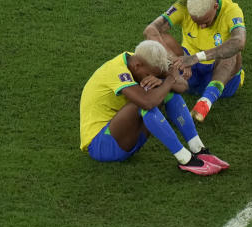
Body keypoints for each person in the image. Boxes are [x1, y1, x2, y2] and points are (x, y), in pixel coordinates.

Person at [79, 39, 230, 175]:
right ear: (137, 66)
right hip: (101, 145)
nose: (152, 77)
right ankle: (186, 160)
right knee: (144, 103)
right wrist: (168, 81)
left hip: (126, 137)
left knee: (168, 93)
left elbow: (183, 86)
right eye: (149, 74)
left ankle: (199, 149)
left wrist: (167, 81)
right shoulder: (116, 71)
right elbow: (147, 103)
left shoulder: (147, 59)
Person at [144, 0, 246, 122]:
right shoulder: (184, 4)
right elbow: (150, 30)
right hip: (189, 72)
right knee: (161, 38)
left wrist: (196, 58)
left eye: (205, 21)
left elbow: (239, 42)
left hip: (222, 77)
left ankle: (207, 100)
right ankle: (163, 87)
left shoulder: (231, 10)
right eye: (196, 22)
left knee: (233, 52)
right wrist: (178, 62)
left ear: (215, 7)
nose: (201, 27)